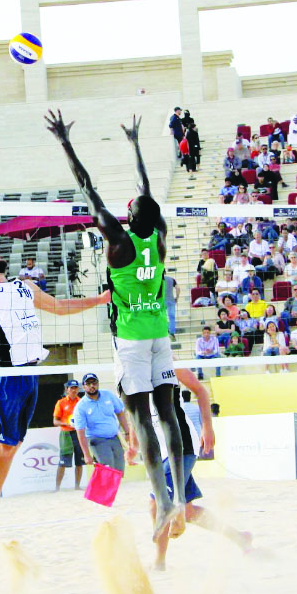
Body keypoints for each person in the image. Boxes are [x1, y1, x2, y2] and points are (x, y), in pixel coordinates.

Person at [48, 109, 189, 541]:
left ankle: (164, 503)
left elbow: (87, 188)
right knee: (168, 415)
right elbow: (147, 192)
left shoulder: (119, 241)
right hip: (159, 335)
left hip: (131, 340)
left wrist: (65, 142)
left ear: (129, 217)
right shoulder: (158, 236)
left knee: (143, 419)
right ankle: (180, 497)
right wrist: (135, 145)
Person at [0, 227, 109, 539]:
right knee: (2, 443)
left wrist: (101, 299)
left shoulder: (24, 286)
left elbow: (60, 308)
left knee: (11, 445)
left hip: (30, 372)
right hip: (8, 372)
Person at [147, 368, 251, 571]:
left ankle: (159, 562)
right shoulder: (135, 370)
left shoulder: (168, 364)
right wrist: (134, 441)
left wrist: (207, 426)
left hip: (182, 444)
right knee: (188, 512)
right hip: (164, 450)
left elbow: (201, 391)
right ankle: (240, 538)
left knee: (156, 504)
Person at [71, 372, 136, 474]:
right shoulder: (81, 406)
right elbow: (80, 432)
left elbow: (120, 413)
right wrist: (86, 454)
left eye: (94, 383)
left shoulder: (108, 395)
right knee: (107, 467)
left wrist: (127, 433)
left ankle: (109, 484)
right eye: (88, 384)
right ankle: (103, 483)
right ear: (83, 386)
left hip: (114, 437)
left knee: (119, 470)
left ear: (98, 383)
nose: (92, 386)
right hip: (96, 439)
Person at [52, 380, 85, 491]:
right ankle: (57, 488)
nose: (74, 390)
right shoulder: (61, 403)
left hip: (78, 433)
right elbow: (55, 421)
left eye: (76, 388)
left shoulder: (81, 402)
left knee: (79, 461)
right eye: (71, 388)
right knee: (63, 461)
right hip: (66, 434)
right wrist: (67, 423)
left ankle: (77, 486)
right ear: (67, 389)